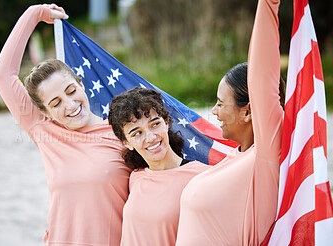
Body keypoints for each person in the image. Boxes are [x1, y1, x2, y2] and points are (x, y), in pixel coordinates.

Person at [0, 4, 131, 246]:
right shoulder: (44, 131)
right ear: (45, 111)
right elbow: (2, 75)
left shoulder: (123, 132)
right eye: (56, 102)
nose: (70, 105)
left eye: (71, 91)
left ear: (81, 84)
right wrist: (35, 13)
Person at [175, 0, 285, 245]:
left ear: (248, 112)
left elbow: (263, 78)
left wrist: (268, 4)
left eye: (220, 104)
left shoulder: (265, 157)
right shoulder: (233, 157)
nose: (213, 111)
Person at [108, 87, 210, 245]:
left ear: (167, 123)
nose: (150, 138)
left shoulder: (201, 177)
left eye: (155, 124)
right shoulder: (135, 177)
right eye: (137, 133)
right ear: (127, 143)